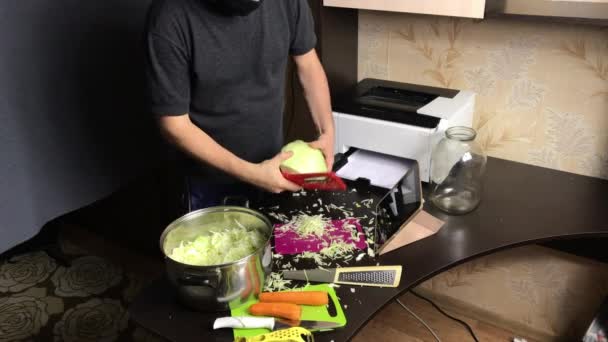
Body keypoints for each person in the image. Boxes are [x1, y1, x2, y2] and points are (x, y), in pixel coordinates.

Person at [144, 0, 334, 211]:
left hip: (275, 166)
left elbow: (308, 64)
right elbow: (174, 125)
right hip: (209, 180)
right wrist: (252, 173)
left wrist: (327, 131)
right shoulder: (168, 17)